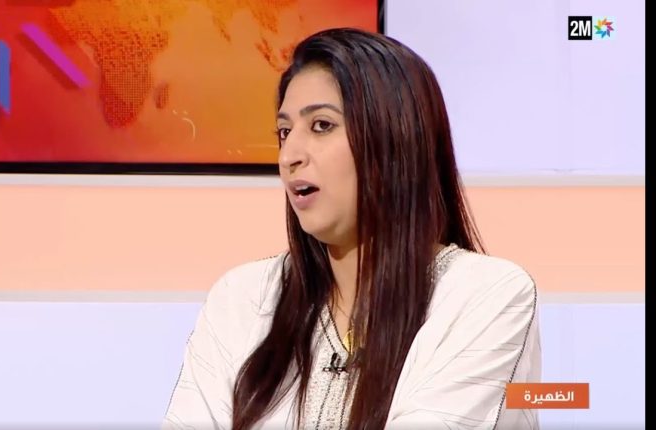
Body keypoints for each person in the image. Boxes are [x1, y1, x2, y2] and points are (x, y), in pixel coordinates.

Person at [163, 28, 540, 430]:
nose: (289, 156)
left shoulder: (483, 295)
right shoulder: (242, 298)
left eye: (321, 125)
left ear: (393, 139)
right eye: (284, 132)